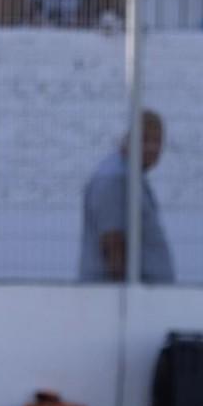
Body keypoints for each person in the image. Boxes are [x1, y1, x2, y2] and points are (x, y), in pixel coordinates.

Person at [79, 110, 175, 283]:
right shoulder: (114, 179)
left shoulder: (132, 178)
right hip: (115, 300)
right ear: (128, 139)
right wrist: (128, 298)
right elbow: (112, 242)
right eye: (145, 139)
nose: (152, 148)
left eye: (157, 141)